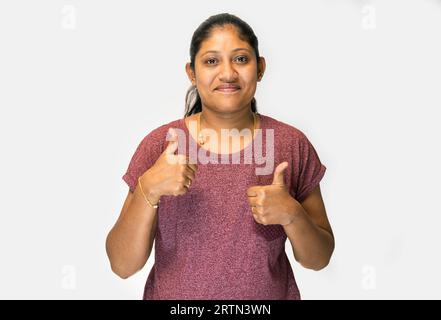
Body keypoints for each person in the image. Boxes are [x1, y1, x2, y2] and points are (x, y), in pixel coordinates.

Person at [106, 13, 334, 300]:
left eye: (240, 59)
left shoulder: (290, 144)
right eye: (211, 61)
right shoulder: (160, 146)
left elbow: (319, 258)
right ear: (191, 72)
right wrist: (147, 190)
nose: (227, 73)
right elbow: (122, 265)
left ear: (260, 68)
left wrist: (293, 214)